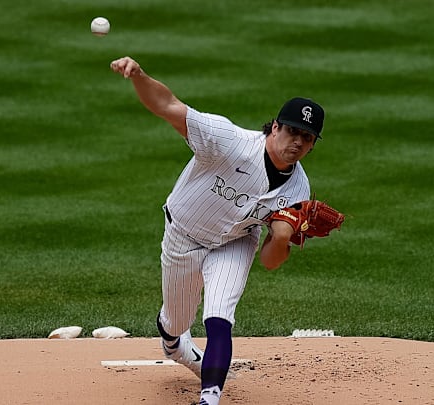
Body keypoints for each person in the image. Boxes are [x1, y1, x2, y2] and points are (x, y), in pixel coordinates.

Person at [110, 56, 326, 405]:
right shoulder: (228, 140)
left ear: (314, 144)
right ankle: (173, 341)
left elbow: (270, 262)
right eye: (292, 131)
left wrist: (282, 237)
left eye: (307, 137)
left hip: (235, 243)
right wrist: (138, 76)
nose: (298, 142)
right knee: (177, 320)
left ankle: (210, 397)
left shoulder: (298, 190)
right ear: (274, 128)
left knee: (219, 315)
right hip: (183, 235)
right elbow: (168, 105)